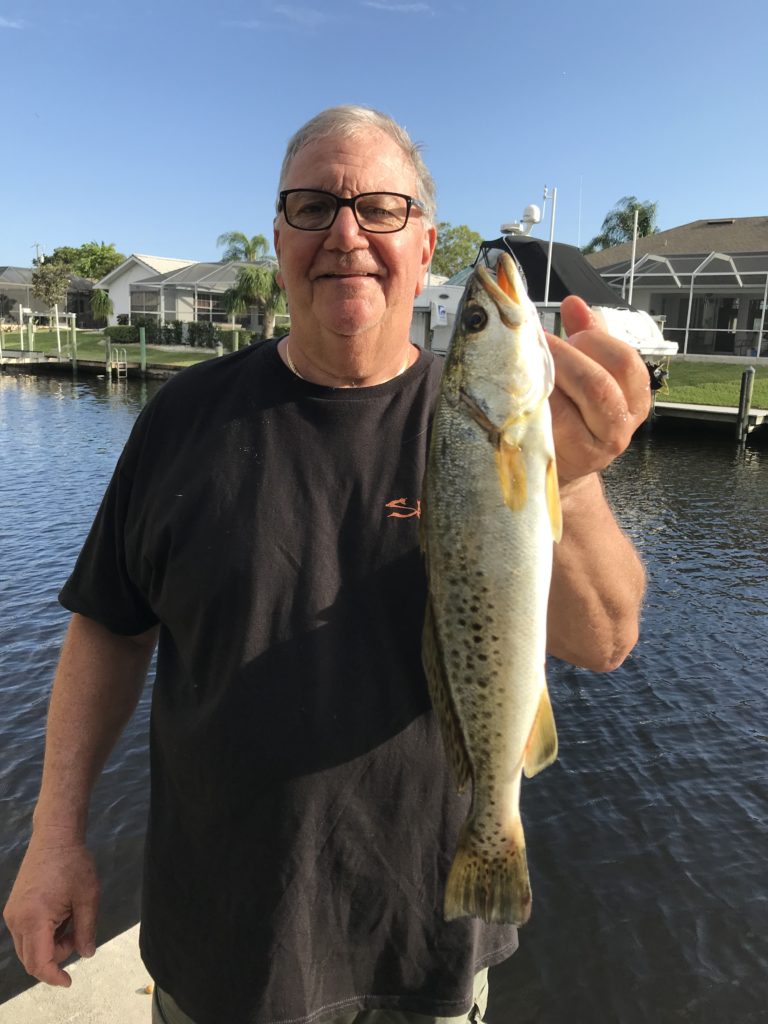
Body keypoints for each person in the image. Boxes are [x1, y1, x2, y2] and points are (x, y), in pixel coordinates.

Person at [3, 106, 649, 1024]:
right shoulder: (182, 420)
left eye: (380, 208)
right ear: (279, 239)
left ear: (425, 246)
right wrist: (55, 833)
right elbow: (110, 623)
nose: (346, 234)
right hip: (222, 950)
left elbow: (608, 638)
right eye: (312, 207)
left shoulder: (491, 433)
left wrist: (571, 482)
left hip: (423, 946)